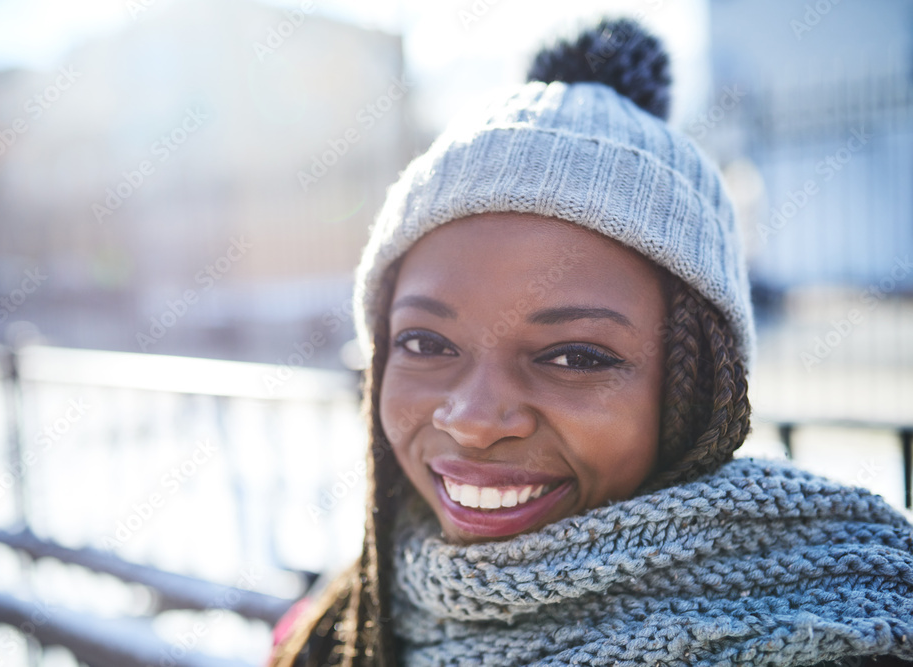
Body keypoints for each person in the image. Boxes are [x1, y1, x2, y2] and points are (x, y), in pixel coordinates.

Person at [269, 17, 913, 667]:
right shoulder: (350, 615)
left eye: (575, 356)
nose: (472, 419)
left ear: (696, 389)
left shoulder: (849, 629)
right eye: (425, 342)